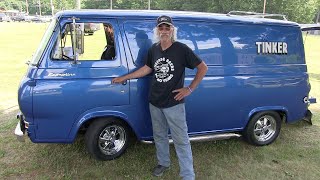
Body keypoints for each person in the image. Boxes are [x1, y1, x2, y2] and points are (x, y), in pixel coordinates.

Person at [112, 15, 208, 180]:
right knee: (159, 136)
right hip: (155, 102)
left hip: (174, 103)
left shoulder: (181, 49)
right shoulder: (154, 49)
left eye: (167, 27)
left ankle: (188, 174)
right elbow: (147, 69)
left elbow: (202, 68)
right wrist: (124, 77)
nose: (164, 30)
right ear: (157, 30)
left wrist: (190, 89)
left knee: (181, 139)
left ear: (172, 30)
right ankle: (163, 163)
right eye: (161, 28)